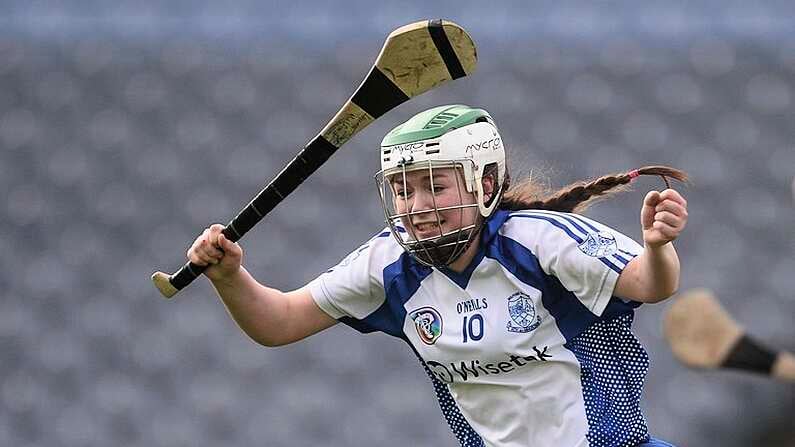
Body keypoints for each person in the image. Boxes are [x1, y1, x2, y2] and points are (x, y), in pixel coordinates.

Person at [187, 104, 688, 447]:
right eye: (403, 190)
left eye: (434, 186)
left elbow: (651, 284)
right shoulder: (387, 266)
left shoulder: (538, 241)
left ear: (484, 181)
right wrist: (230, 276)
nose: (417, 206)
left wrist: (656, 246)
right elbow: (279, 322)